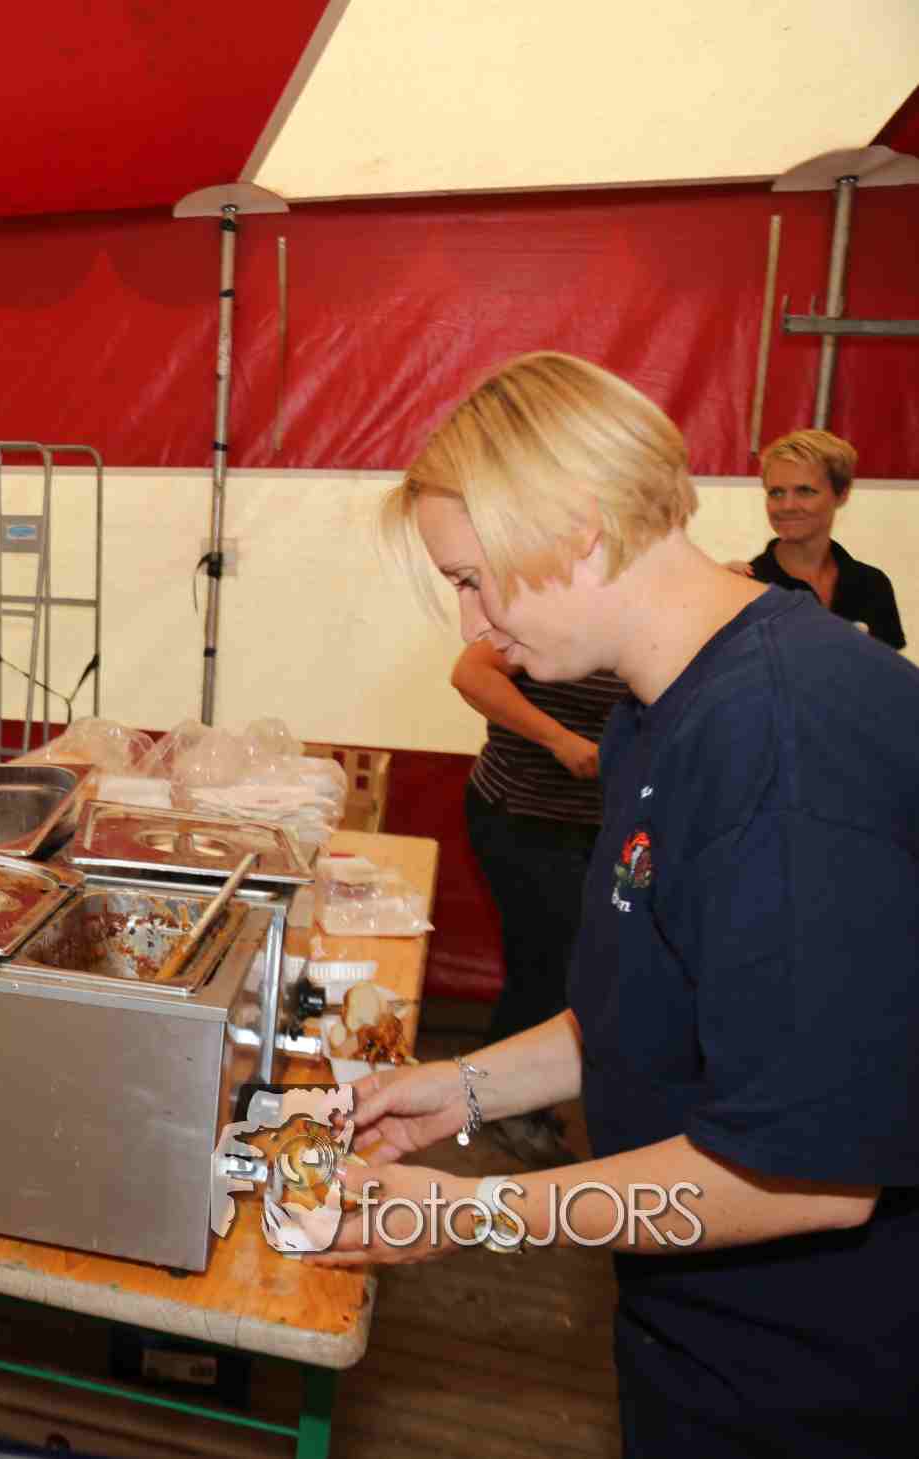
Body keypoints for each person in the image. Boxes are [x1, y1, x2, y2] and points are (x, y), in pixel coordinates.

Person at [332, 352, 919, 1455]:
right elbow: (645, 1005)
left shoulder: (783, 748)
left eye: (473, 579)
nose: (472, 623)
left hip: (815, 1380)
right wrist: (459, 1088)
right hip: (687, 1328)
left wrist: (473, 1209)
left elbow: (810, 1174)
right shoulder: (656, 711)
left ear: (578, 528)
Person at [449, 641, 628, 1165]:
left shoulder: (651, 621)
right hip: (521, 813)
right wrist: (559, 740)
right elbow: (471, 673)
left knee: (569, 965)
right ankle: (501, 1105)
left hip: (596, 820)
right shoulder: (546, 610)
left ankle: (504, 1091)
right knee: (548, 966)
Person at [729, 428, 903, 649]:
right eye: (776, 492)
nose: (787, 506)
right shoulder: (744, 588)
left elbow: (888, 669)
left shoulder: (872, 585)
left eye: (805, 491)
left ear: (842, 494)